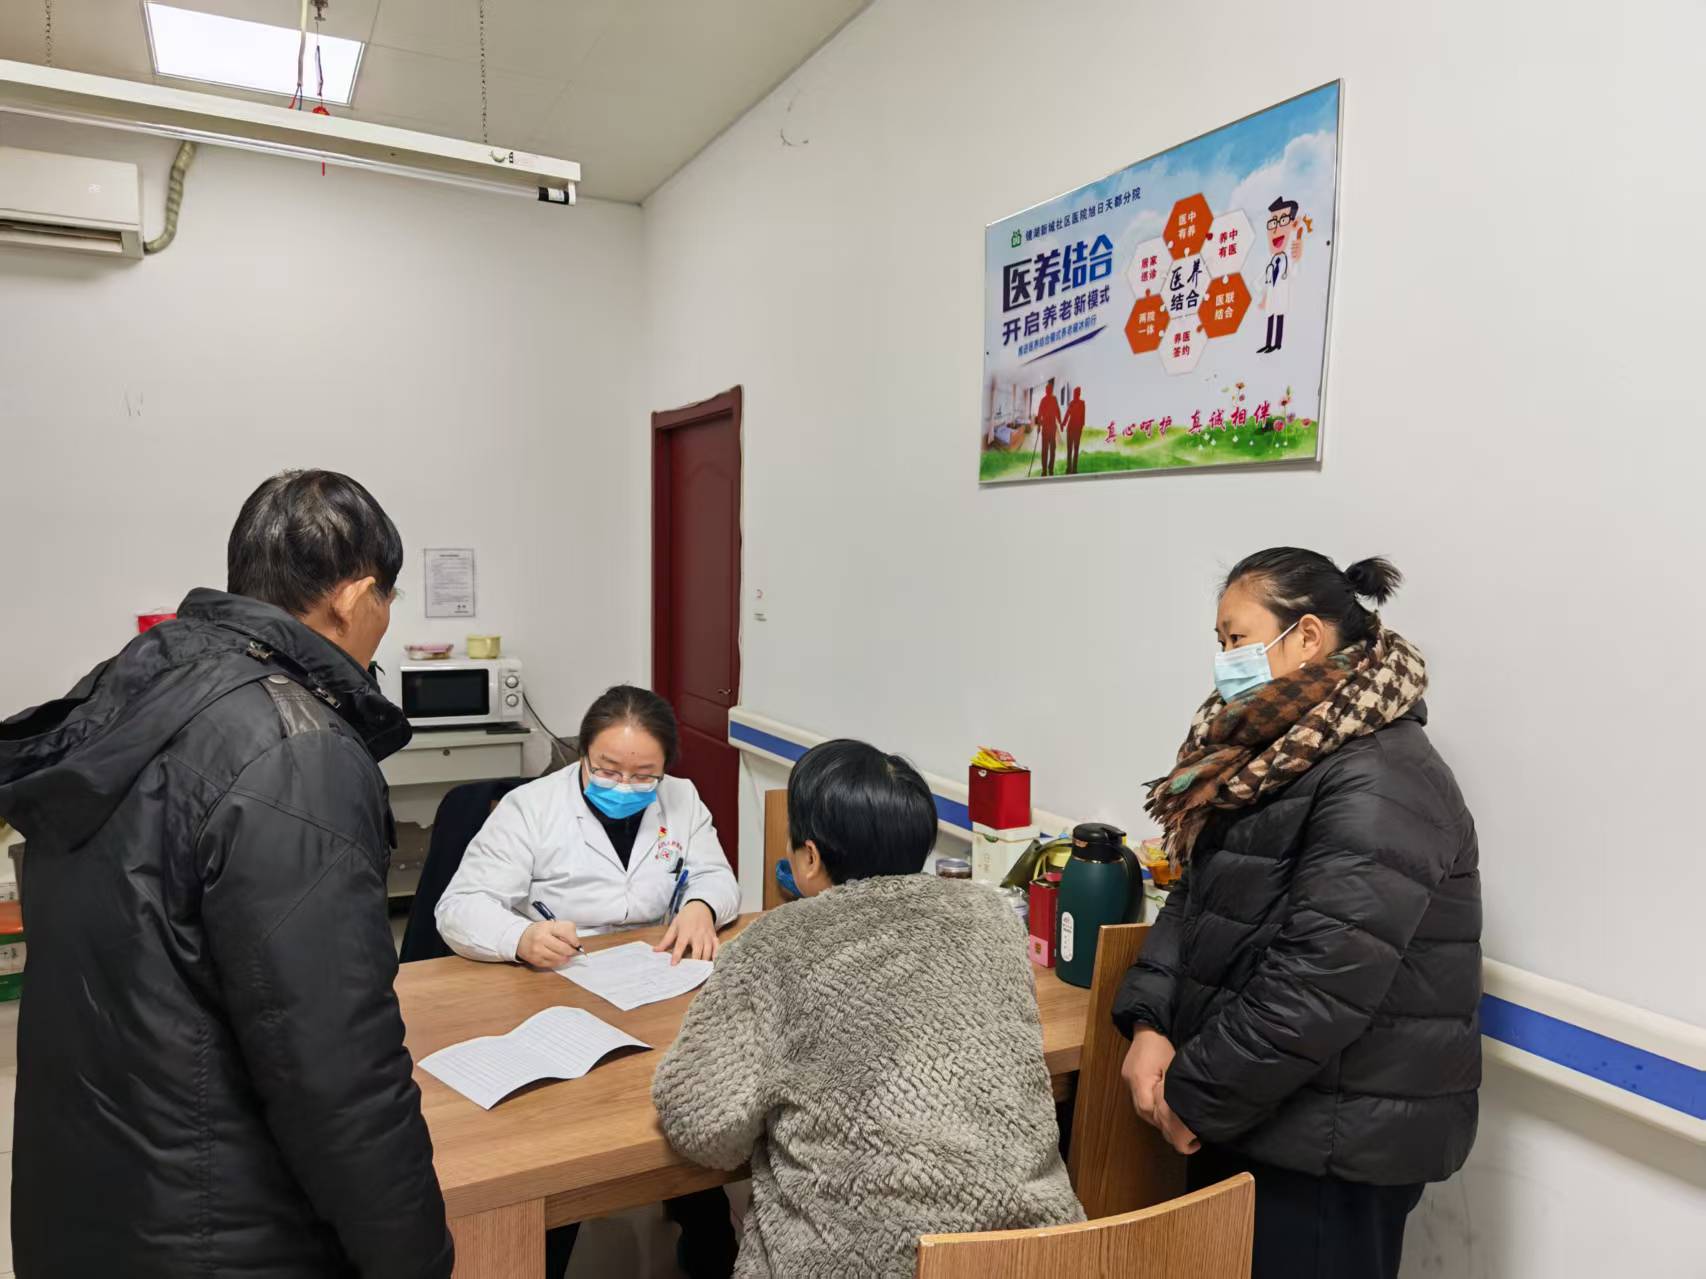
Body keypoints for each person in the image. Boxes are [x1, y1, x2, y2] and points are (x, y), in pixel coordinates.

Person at [0, 471, 452, 1278]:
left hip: (84, 1199)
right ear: (353, 597)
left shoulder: (138, 680)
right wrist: (417, 1257)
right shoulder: (297, 748)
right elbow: (337, 1069)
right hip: (217, 1230)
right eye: (389, 597)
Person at [1113, 549, 1480, 1279]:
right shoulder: (1271, 754)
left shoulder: (1382, 776)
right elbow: (1200, 894)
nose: (1225, 661)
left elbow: (1319, 982)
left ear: (1307, 636)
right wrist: (1150, 1022)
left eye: (1237, 638)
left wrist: (1194, 1094)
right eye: (1220, 641)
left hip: (1330, 1150)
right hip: (1251, 1112)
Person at [652, 739, 1084, 1279]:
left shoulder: (773, 945)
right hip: (1035, 1255)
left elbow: (702, 1127)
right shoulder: (992, 916)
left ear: (809, 858)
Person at [435, 684, 741, 1279]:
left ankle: (704, 1230)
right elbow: (459, 908)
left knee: (684, 1103)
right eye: (607, 769)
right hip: (553, 986)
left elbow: (716, 875)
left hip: (651, 983)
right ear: (582, 755)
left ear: (665, 769)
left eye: (643, 775)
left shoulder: (681, 798)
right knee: (565, 1134)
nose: (624, 786)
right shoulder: (531, 808)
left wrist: (702, 905)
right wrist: (519, 937)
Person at [1036, 376, 1062, 476]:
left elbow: (1057, 412)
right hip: (1045, 428)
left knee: (1052, 449)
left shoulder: (1054, 399)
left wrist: (1060, 423)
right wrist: (1038, 426)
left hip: (1052, 428)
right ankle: (1044, 470)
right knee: (1045, 450)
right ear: (1046, 391)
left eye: (1050, 389)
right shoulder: (1043, 400)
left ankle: (1050, 468)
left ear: (1051, 390)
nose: (1048, 391)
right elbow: (1039, 414)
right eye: (1047, 389)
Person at [1065, 385, 1087, 473]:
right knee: (1069, 450)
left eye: (1076, 393)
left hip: (1077, 430)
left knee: (1076, 449)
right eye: (1074, 393)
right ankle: (1068, 468)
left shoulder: (1082, 403)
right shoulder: (1071, 403)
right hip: (1070, 429)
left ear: (1079, 394)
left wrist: (1081, 428)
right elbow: (1067, 414)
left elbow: (1083, 417)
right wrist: (1063, 423)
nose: (1075, 394)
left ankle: (1074, 469)